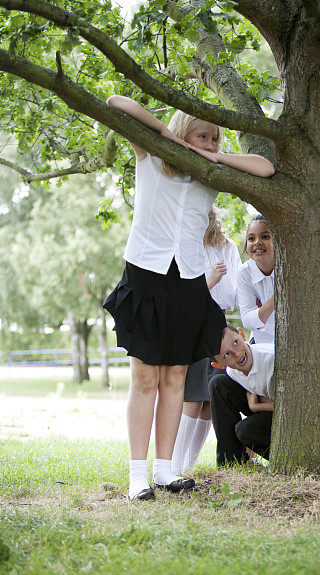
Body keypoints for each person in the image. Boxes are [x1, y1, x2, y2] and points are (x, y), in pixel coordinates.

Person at [103, 95, 274, 501]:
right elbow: (116, 101)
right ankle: (137, 475)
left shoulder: (211, 174)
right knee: (145, 377)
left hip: (189, 284)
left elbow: (266, 169)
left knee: (176, 377)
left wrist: (215, 159)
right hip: (146, 275)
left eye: (215, 139)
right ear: (184, 131)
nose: (211, 144)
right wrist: (169, 138)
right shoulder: (150, 157)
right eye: (205, 136)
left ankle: (165, 470)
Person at [171, 207, 242, 474]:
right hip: (192, 324)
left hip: (218, 324)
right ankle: (175, 465)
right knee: (193, 395)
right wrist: (209, 281)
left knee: (210, 399)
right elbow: (182, 295)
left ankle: (188, 465)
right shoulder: (185, 245)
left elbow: (232, 293)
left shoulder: (228, 247)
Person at [209, 324, 275, 466]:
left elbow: (294, 406)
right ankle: (231, 462)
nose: (237, 354)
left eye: (235, 343)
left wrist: (256, 406)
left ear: (241, 334)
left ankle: (284, 459)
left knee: (245, 430)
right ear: (219, 365)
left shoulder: (272, 359)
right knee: (217, 384)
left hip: (289, 418)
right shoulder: (232, 372)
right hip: (268, 411)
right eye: (226, 355)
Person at [237, 215, 275, 345]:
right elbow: (247, 320)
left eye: (265, 236)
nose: (257, 242)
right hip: (262, 345)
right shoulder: (244, 272)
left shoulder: (292, 268)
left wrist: (260, 311)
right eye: (251, 238)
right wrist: (273, 302)